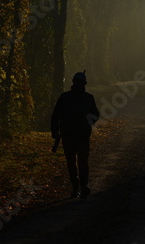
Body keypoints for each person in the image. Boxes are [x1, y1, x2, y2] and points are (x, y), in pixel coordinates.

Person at [51, 71, 99, 199]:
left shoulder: (65, 97)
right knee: (79, 162)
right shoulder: (87, 98)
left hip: (74, 136)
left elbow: (55, 116)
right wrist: (87, 123)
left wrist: (55, 132)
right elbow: (95, 116)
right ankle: (80, 187)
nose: (78, 84)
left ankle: (79, 187)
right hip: (75, 136)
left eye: (79, 82)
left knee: (74, 163)